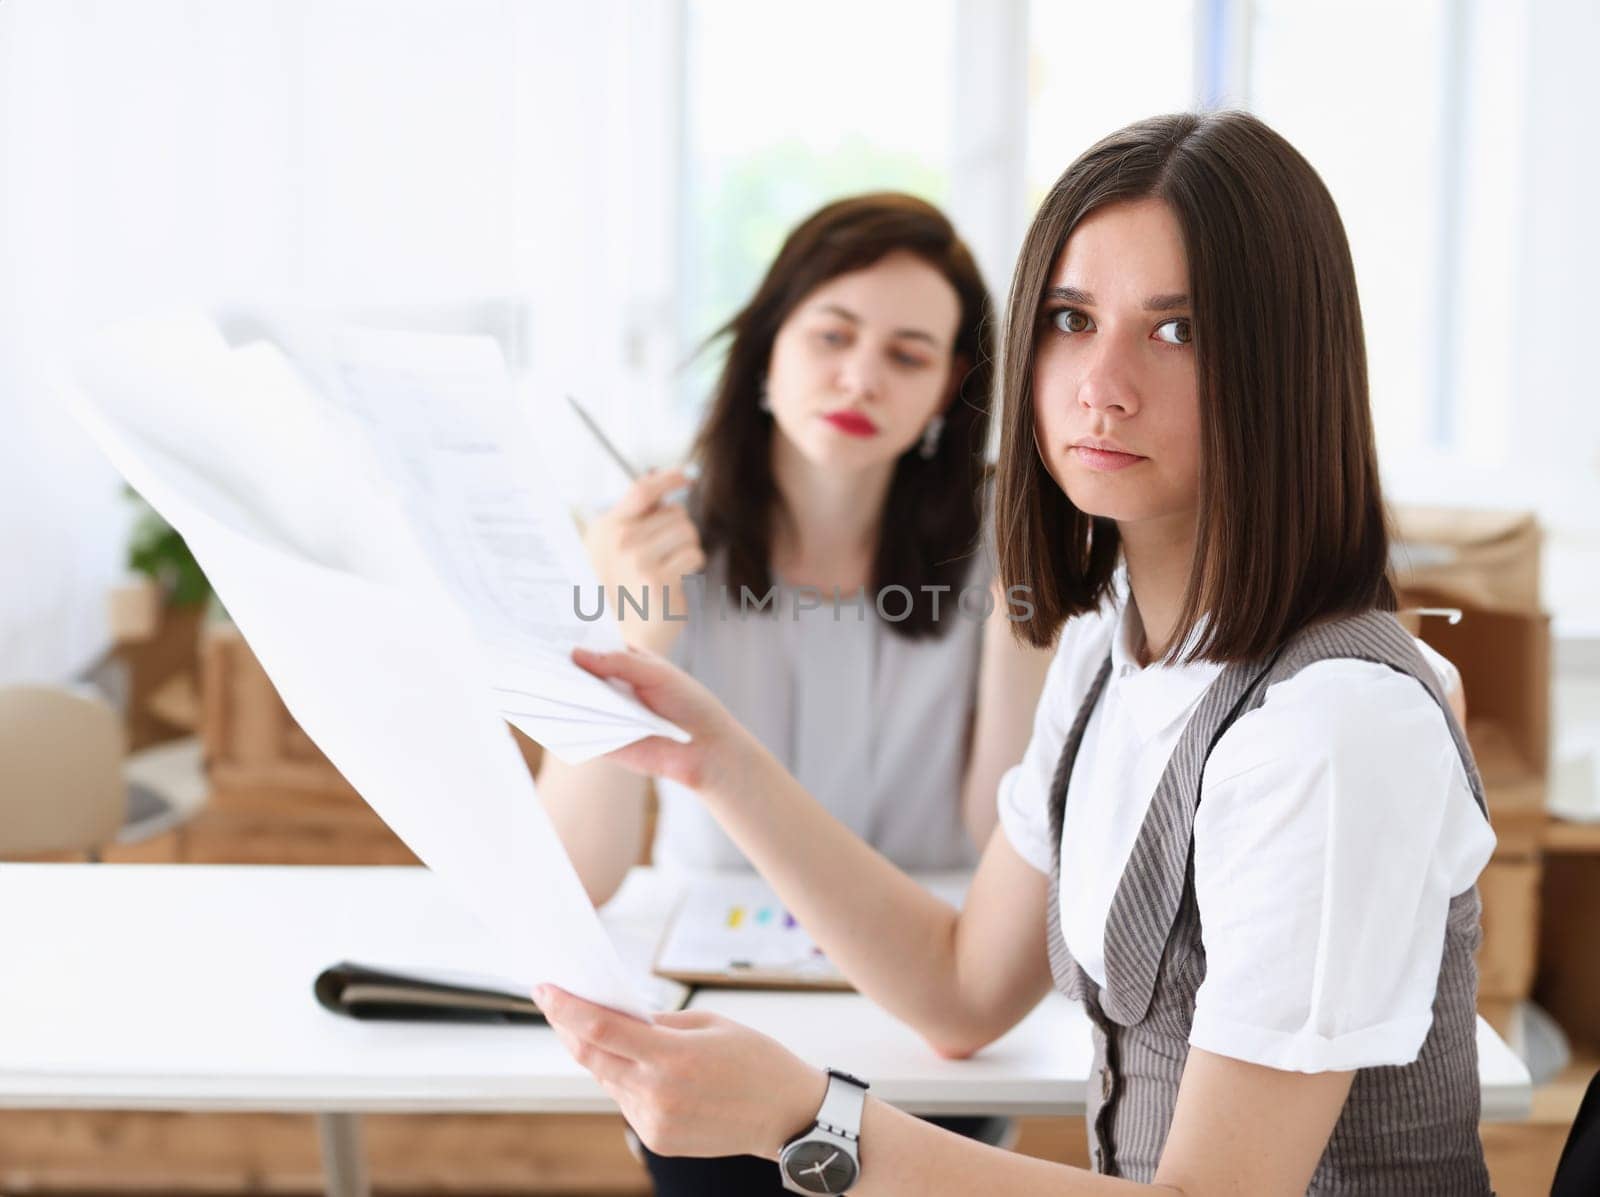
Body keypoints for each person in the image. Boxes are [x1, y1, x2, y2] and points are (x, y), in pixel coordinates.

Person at [536, 111, 1497, 1195]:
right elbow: (959, 991)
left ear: (1287, 368)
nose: (1101, 383)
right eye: (1071, 318)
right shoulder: (1105, 654)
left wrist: (814, 1122)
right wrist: (714, 757)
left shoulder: (1329, 730)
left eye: (1177, 331)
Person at [537, 193, 1055, 1191]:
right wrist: (627, 629)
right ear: (768, 347)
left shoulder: (1003, 548)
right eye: (832, 334)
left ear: (950, 388)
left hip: (925, 1004)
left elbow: (1001, 841)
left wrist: (1025, 628)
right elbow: (577, 872)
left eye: (908, 355)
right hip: (719, 1015)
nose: (860, 375)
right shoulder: (654, 542)